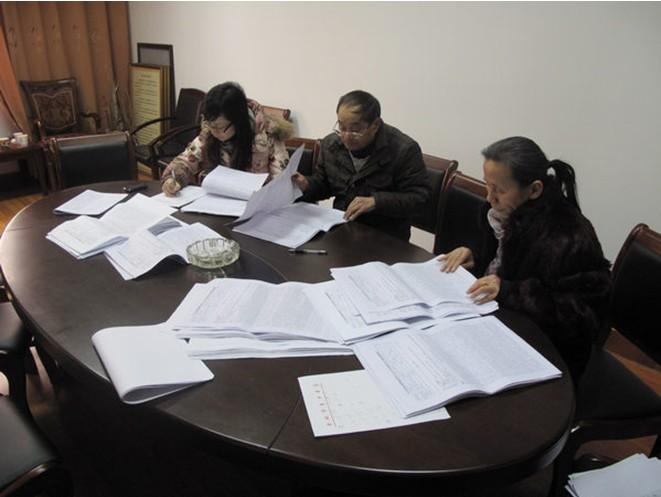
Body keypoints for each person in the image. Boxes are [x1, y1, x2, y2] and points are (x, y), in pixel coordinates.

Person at [439, 136, 611, 383]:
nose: (489, 197)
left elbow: (580, 317)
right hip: (499, 326)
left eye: (499, 190)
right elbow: (501, 260)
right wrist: (475, 254)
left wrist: (510, 291)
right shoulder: (503, 214)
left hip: (548, 355)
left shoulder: (568, 236)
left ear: (534, 190)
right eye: (487, 185)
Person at [291, 90, 430, 241]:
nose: (346, 136)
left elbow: (419, 200)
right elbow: (325, 184)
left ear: (375, 125)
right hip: (342, 229)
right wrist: (307, 184)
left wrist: (376, 201)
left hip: (385, 237)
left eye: (355, 130)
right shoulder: (331, 145)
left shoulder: (403, 150)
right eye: (342, 127)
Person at [162, 82, 294, 196]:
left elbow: (282, 180)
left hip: (257, 203)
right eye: (210, 125)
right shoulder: (209, 133)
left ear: (238, 121)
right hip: (219, 201)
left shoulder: (267, 135)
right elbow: (186, 160)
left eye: (220, 127)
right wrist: (172, 179)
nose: (214, 132)